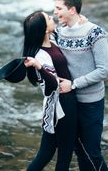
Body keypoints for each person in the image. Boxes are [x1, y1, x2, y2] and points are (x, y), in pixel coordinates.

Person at [53, 0, 108, 171]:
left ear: (72, 10)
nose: (55, 12)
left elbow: (104, 71)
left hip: (91, 102)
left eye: (58, 8)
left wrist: (74, 84)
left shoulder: (95, 33)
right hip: (69, 102)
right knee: (78, 150)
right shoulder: (59, 33)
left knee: (91, 152)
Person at [22, 11, 78, 171]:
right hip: (63, 106)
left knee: (45, 154)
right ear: (44, 29)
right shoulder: (40, 56)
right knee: (63, 156)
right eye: (48, 18)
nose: (52, 18)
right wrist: (39, 67)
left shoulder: (53, 41)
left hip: (60, 105)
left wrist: (79, 21)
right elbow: (53, 85)